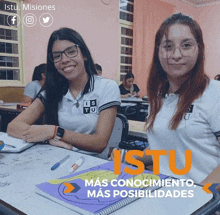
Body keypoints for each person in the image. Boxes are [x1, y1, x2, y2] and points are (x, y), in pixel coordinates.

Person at [7, 27, 121, 155]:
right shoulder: (52, 90)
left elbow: (100, 142)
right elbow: (13, 127)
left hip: (92, 163)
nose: (65, 60)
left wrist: (56, 132)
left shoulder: (106, 87)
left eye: (71, 52)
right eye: (57, 56)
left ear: (84, 55)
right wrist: (48, 139)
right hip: (56, 156)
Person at [137, 13, 220, 185]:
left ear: (199, 49)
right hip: (163, 194)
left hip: (205, 204)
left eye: (186, 45)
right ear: (158, 52)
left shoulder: (215, 93)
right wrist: (124, 157)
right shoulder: (159, 96)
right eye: (168, 46)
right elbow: (163, 147)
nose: (176, 54)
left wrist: (200, 199)